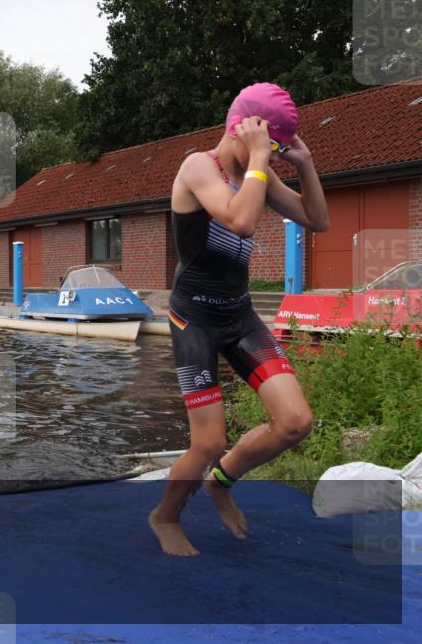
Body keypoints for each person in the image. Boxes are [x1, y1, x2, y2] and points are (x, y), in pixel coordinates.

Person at [149, 83, 329, 557]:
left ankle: (221, 484)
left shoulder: (258, 175)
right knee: (207, 441)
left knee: (295, 421)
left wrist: (305, 165)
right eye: (267, 144)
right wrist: (258, 161)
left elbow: (318, 220)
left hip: (239, 315)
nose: (268, 154)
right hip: (194, 320)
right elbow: (240, 220)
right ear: (241, 128)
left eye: (274, 148)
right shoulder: (197, 166)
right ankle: (165, 515)